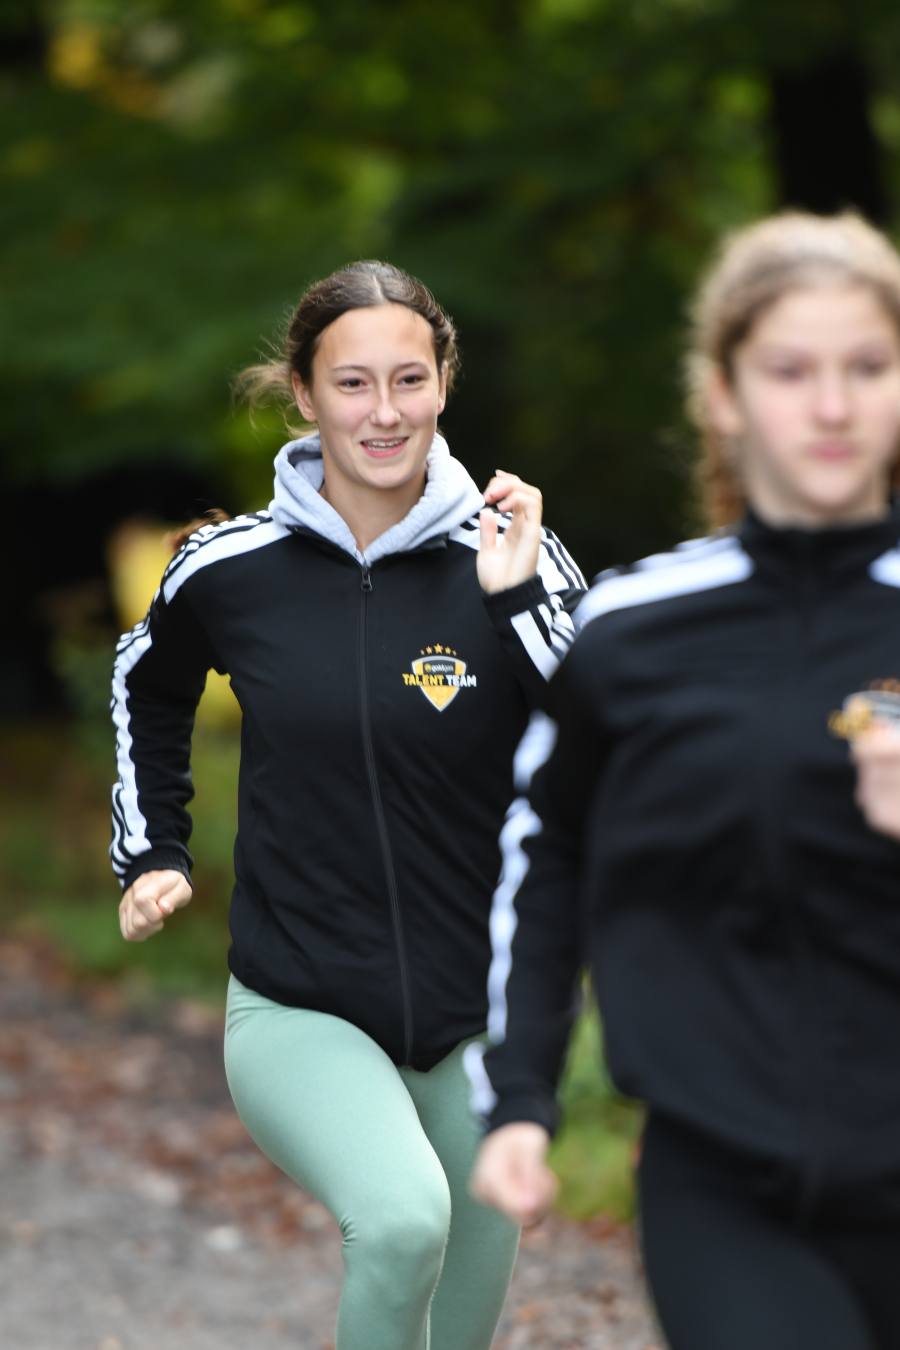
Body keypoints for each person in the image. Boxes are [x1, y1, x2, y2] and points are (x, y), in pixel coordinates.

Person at [109, 260, 585, 1350]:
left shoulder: (515, 557)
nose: (384, 412)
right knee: (404, 1222)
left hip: (478, 1017)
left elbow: (611, 731)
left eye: (409, 380)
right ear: (306, 392)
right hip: (300, 999)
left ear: (445, 385)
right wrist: (153, 848)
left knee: (458, 1316)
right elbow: (148, 677)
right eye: (354, 383)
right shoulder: (233, 571)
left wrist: (518, 602)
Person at [469, 212, 900, 1350]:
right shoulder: (631, 629)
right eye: (791, 371)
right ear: (722, 392)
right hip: (724, 1181)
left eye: (868, 367)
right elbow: (547, 852)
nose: (832, 406)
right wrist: (519, 1097)